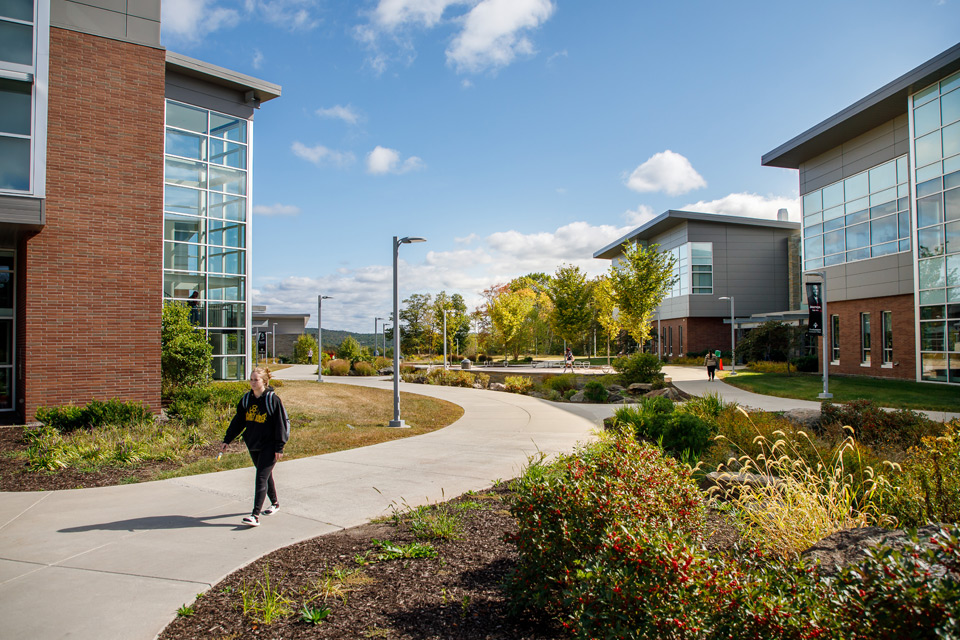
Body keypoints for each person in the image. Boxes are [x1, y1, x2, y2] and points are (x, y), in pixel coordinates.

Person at [221, 367, 290, 527]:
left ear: (264, 381)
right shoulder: (246, 400)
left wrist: (279, 446)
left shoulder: (272, 400)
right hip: (254, 443)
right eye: (251, 379)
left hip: (270, 445)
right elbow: (238, 421)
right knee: (266, 475)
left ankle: (255, 515)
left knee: (260, 477)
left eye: (256, 380)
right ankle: (275, 503)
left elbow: (281, 424)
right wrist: (227, 440)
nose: (252, 382)